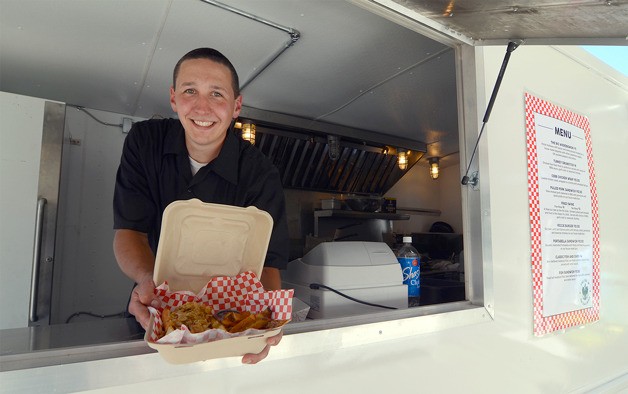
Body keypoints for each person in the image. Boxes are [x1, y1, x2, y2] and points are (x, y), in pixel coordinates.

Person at [112, 47, 289, 364]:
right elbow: (129, 232)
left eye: (217, 94)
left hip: (230, 324)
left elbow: (268, 264)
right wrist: (146, 281)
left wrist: (262, 323)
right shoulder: (144, 142)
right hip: (151, 308)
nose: (202, 107)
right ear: (173, 98)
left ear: (236, 106)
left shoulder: (260, 173)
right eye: (190, 91)